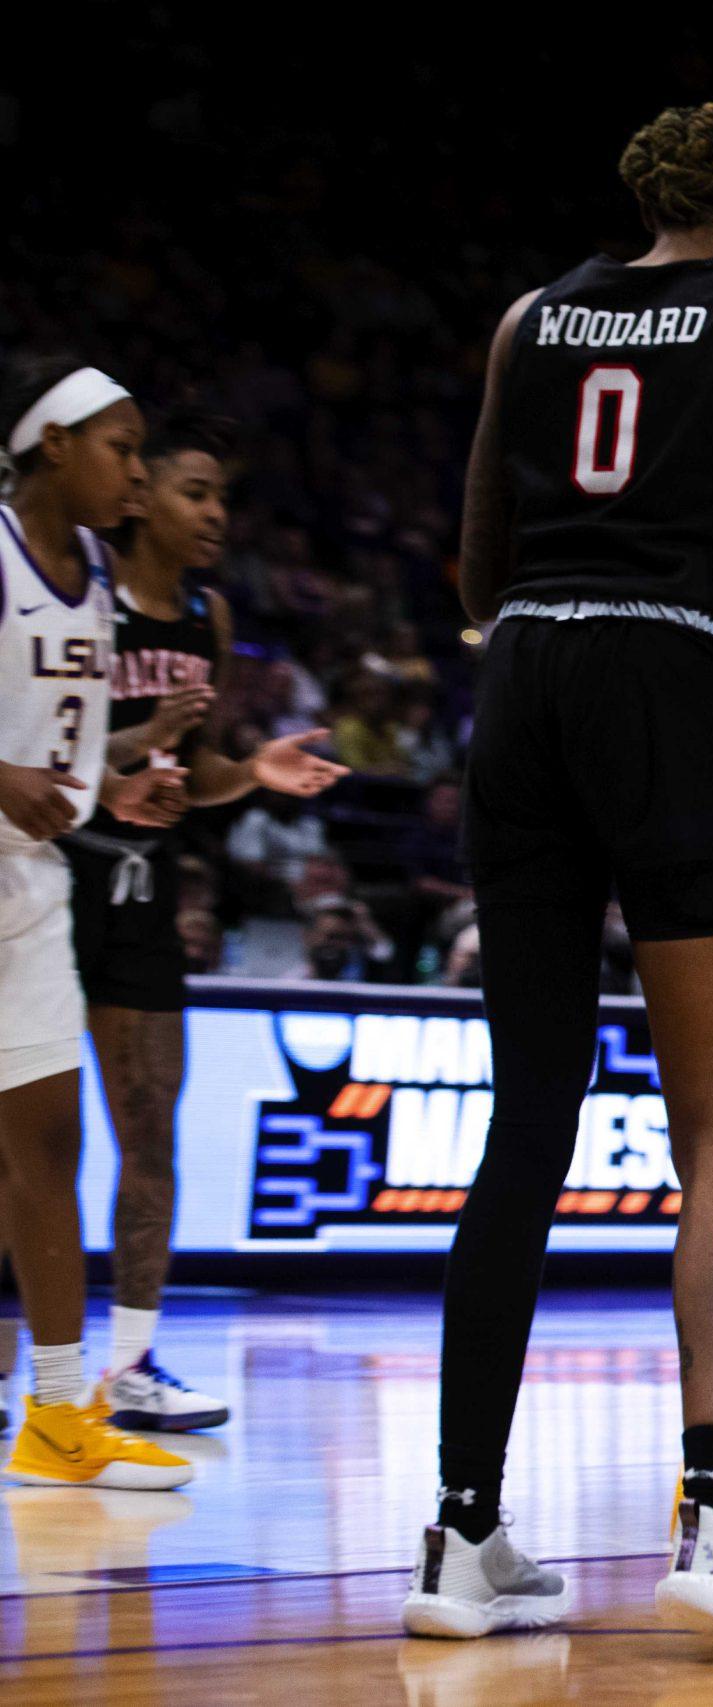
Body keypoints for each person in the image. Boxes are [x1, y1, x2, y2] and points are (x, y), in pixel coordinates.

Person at [405, 104, 713, 1651]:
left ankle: (464, 1534)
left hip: (523, 676)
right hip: (668, 679)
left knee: (527, 1117)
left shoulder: (530, 316)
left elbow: (475, 572)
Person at [63, 406, 348, 1435]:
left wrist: (250, 774)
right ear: (139, 498)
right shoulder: (78, 597)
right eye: (196, 491)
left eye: (222, 495)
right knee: (30, 1144)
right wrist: (144, 738)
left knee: (149, 1135)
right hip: (47, 882)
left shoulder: (208, 620)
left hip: (143, 894)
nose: (217, 513)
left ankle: (133, 1365)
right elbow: (62, 761)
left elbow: (198, 775)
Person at [0, 356, 194, 1491]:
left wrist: (112, 790)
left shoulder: (97, 583)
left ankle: (61, 1413)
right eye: (120, 447)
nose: (136, 469)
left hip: (29, 886)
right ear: (54, 445)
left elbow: (59, 763)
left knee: (49, 1147)